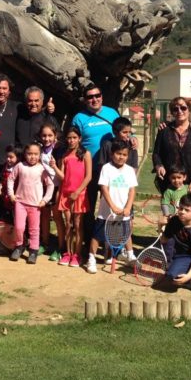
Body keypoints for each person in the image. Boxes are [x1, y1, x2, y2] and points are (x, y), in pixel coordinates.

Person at [71, 84, 121, 247]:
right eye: (90, 97)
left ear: (102, 96)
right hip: (88, 171)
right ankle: (90, 242)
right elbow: (74, 141)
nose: (94, 99)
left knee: (112, 205)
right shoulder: (79, 117)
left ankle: (111, 244)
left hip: (110, 169)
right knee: (88, 207)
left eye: (97, 95)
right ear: (85, 100)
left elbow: (123, 132)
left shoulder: (112, 113)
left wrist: (133, 138)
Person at [85, 140, 137, 274]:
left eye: (124, 155)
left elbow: (132, 191)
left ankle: (130, 256)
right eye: (118, 154)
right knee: (97, 236)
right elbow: (104, 188)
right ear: (112, 154)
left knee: (126, 234)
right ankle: (91, 258)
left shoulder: (130, 170)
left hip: (123, 212)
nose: (121, 157)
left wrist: (128, 208)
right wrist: (112, 206)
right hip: (106, 212)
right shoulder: (106, 168)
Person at [50, 126, 91, 267]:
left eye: (74, 137)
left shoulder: (86, 154)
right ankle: (67, 253)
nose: (71, 140)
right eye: (69, 138)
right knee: (68, 225)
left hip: (79, 194)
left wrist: (78, 192)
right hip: (66, 195)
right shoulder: (65, 155)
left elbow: (89, 176)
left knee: (78, 225)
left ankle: (77, 255)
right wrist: (55, 166)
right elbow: (63, 176)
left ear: (79, 138)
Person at [8, 142, 55, 264]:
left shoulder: (41, 169)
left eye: (35, 154)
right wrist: (11, 194)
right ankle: (19, 246)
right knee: (19, 227)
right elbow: (11, 179)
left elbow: (50, 185)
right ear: (25, 154)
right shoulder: (20, 166)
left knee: (34, 229)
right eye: (29, 154)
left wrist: (45, 200)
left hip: (35, 205)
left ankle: (33, 250)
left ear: (39, 155)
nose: (32, 157)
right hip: (20, 203)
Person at [152, 96, 191, 194]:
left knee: (188, 209)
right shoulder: (164, 130)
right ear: (172, 112)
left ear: (189, 110)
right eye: (175, 109)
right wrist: (158, 165)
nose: (179, 111)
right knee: (169, 208)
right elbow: (156, 153)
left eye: (183, 108)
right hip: (169, 183)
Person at [37, 121, 64, 260]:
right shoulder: (39, 149)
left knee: (58, 217)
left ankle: (61, 247)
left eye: (49, 135)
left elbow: (63, 174)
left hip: (58, 187)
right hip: (43, 188)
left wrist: (54, 167)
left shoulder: (59, 150)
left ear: (55, 136)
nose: (46, 138)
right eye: (44, 135)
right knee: (45, 216)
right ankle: (45, 243)